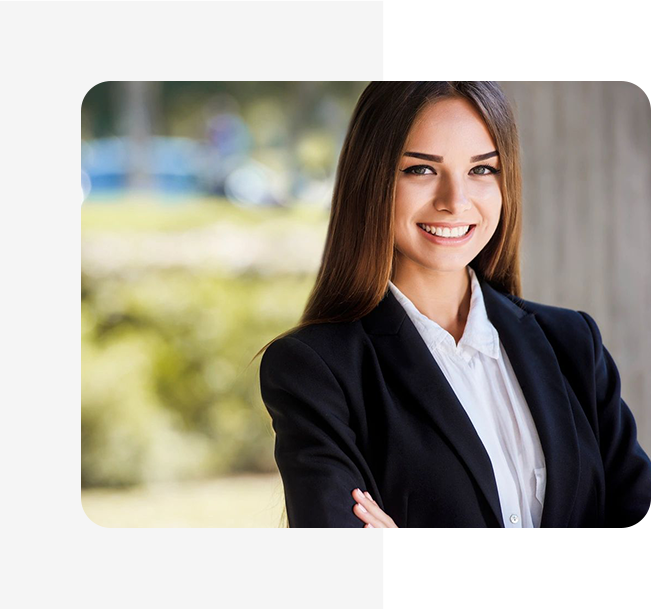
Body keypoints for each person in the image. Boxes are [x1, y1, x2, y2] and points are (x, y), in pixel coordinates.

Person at [253, 81, 651, 527]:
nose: (454, 202)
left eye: (481, 170)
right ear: (372, 177)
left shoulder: (573, 344)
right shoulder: (315, 371)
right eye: (421, 170)